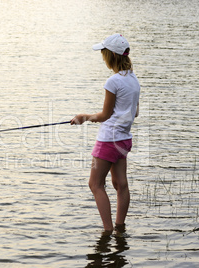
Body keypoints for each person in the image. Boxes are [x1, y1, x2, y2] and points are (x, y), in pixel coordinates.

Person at [71, 34, 140, 234]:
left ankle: (107, 231)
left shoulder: (113, 82)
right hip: (124, 140)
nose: (102, 58)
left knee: (95, 184)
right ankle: (120, 228)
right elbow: (134, 112)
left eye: (103, 54)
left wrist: (84, 117)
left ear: (110, 56)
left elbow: (104, 115)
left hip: (108, 141)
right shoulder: (134, 80)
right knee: (121, 184)